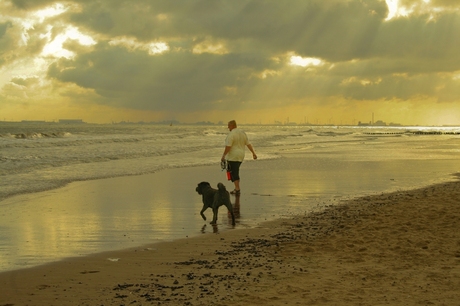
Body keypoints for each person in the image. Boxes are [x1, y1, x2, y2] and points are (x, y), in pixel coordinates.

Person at [221, 120, 257, 194]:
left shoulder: (231, 134)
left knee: (234, 172)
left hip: (232, 156)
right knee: (234, 171)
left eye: (229, 126)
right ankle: (236, 187)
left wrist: (223, 156)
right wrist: (253, 153)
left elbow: (228, 146)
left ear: (232, 125)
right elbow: (248, 144)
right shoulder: (242, 133)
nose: (228, 127)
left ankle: (237, 189)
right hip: (241, 155)